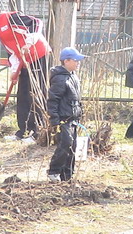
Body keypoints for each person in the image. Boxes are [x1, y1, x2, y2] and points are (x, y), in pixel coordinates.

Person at [0, 6, 50, 141]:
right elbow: (11, 52)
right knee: (23, 94)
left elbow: (36, 22)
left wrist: (29, 43)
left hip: (37, 56)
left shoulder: (11, 18)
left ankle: (36, 132)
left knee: (35, 94)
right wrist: (14, 71)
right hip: (23, 61)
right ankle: (23, 131)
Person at [46, 47, 85, 182]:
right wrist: (55, 120)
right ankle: (54, 171)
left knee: (73, 146)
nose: (78, 63)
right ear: (66, 61)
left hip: (73, 118)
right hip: (63, 119)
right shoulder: (60, 79)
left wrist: (80, 113)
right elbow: (53, 100)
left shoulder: (73, 76)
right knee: (65, 144)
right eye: (76, 60)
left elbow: (76, 99)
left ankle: (67, 175)